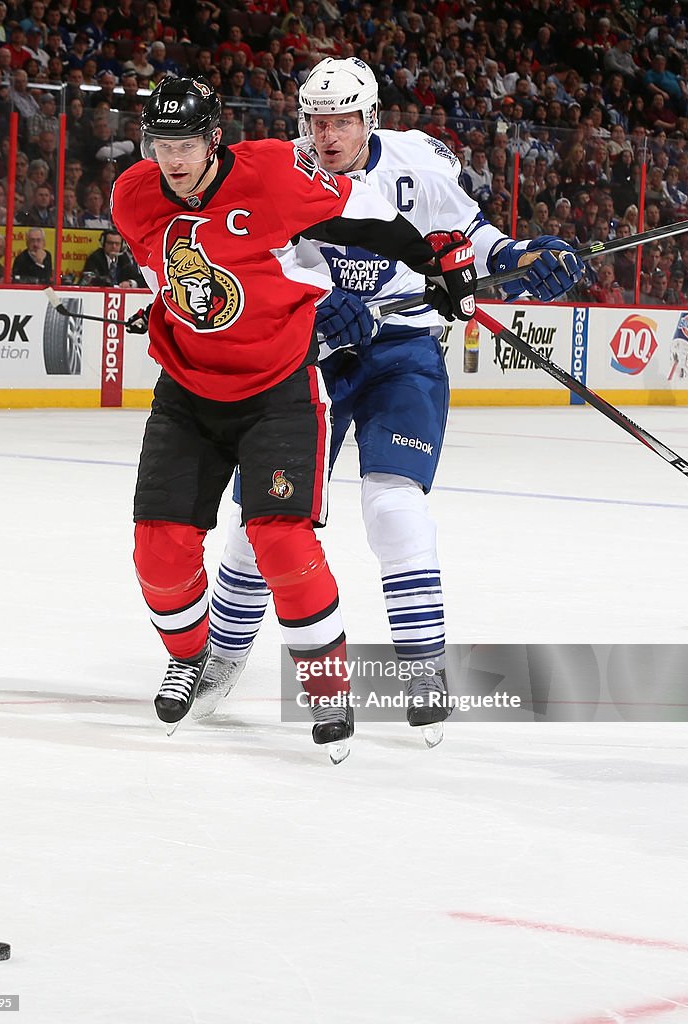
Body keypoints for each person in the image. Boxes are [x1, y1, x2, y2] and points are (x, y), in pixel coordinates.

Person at [201, 57, 586, 744]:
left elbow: (469, 240)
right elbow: (245, 264)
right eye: (317, 122)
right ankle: (220, 656)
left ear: (369, 117)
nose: (328, 135)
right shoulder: (271, 173)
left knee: (393, 502)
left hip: (403, 350)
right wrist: (312, 304)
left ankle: (421, 668)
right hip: (309, 357)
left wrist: (525, 256)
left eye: (342, 121)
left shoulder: (419, 161)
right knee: (263, 516)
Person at [111, 76, 474, 762]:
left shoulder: (301, 170)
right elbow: (169, 268)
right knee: (180, 546)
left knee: (358, 516)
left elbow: (363, 218)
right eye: (163, 145)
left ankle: (393, 672)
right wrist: (167, 306)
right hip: (205, 383)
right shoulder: (134, 193)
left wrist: (437, 259)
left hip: (322, 370)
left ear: (214, 139)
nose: (175, 159)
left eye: (187, 143)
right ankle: (204, 657)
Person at [79, 228, 143, 287]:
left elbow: (141, 279)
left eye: (117, 244)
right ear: (103, 244)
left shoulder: (124, 259)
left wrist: (131, 283)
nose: (114, 246)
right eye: (110, 243)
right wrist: (108, 283)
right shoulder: (95, 257)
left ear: (122, 246)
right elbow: (89, 278)